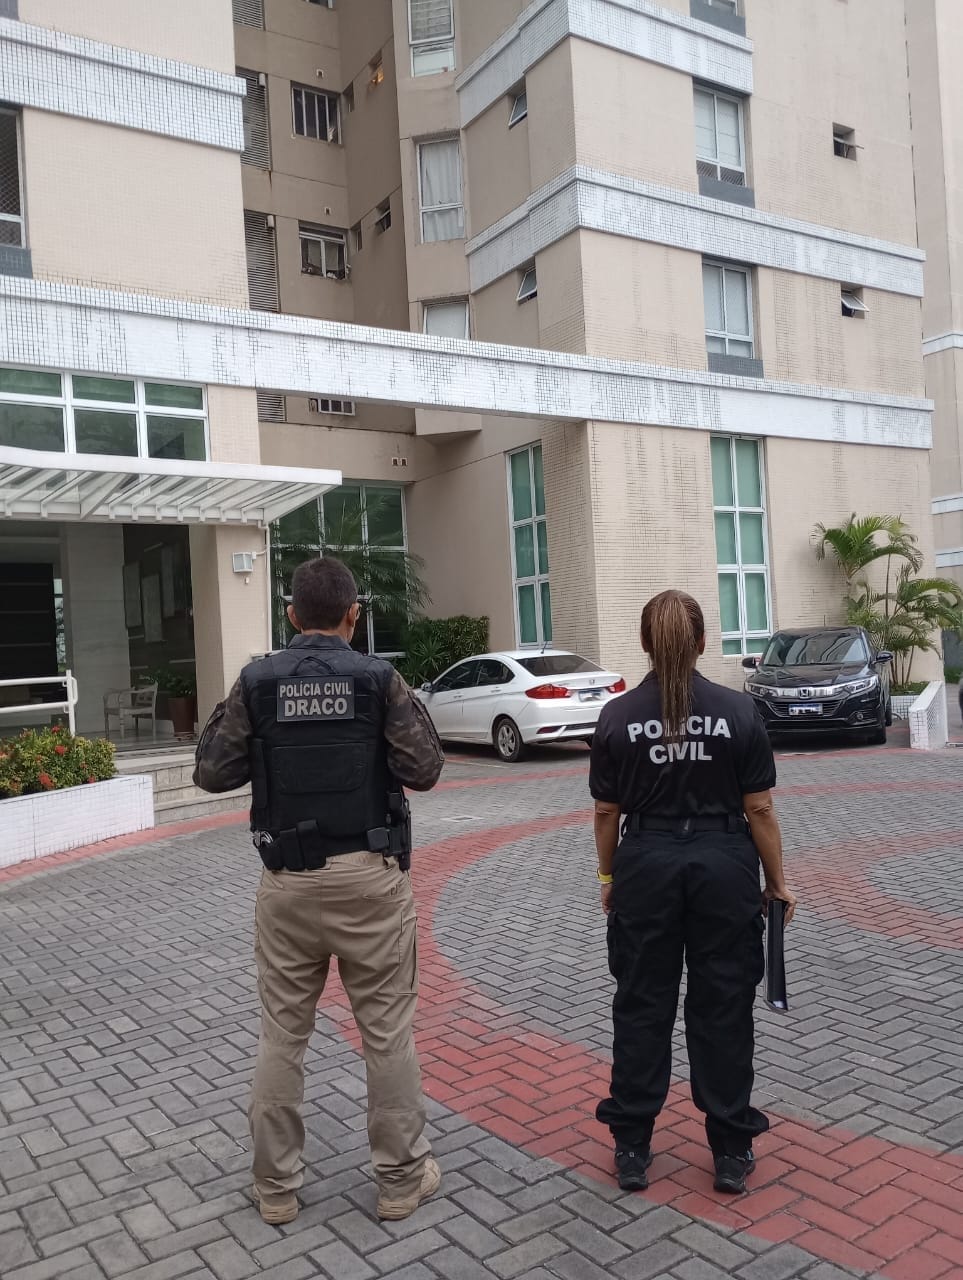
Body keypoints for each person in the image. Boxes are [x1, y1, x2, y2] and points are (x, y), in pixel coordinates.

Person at [193, 556, 444, 1225]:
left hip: (288, 883)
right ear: (354, 615)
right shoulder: (377, 679)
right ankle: (398, 1181)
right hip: (369, 879)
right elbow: (424, 768)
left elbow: (211, 774)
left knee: (282, 1037)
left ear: (291, 614)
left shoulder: (257, 682)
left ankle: (275, 1191)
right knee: (387, 1036)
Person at [589, 589, 796, 1196]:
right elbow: (758, 808)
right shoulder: (738, 711)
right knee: (723, 1008)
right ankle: (731, 1148)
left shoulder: (618, 717)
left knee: (642, 1005)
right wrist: (777, 884)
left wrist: (610, 879)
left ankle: (632, 1147)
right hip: (724, 869)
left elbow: (607, 812)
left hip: (645, 868)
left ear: (647, 645)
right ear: (702, 643)